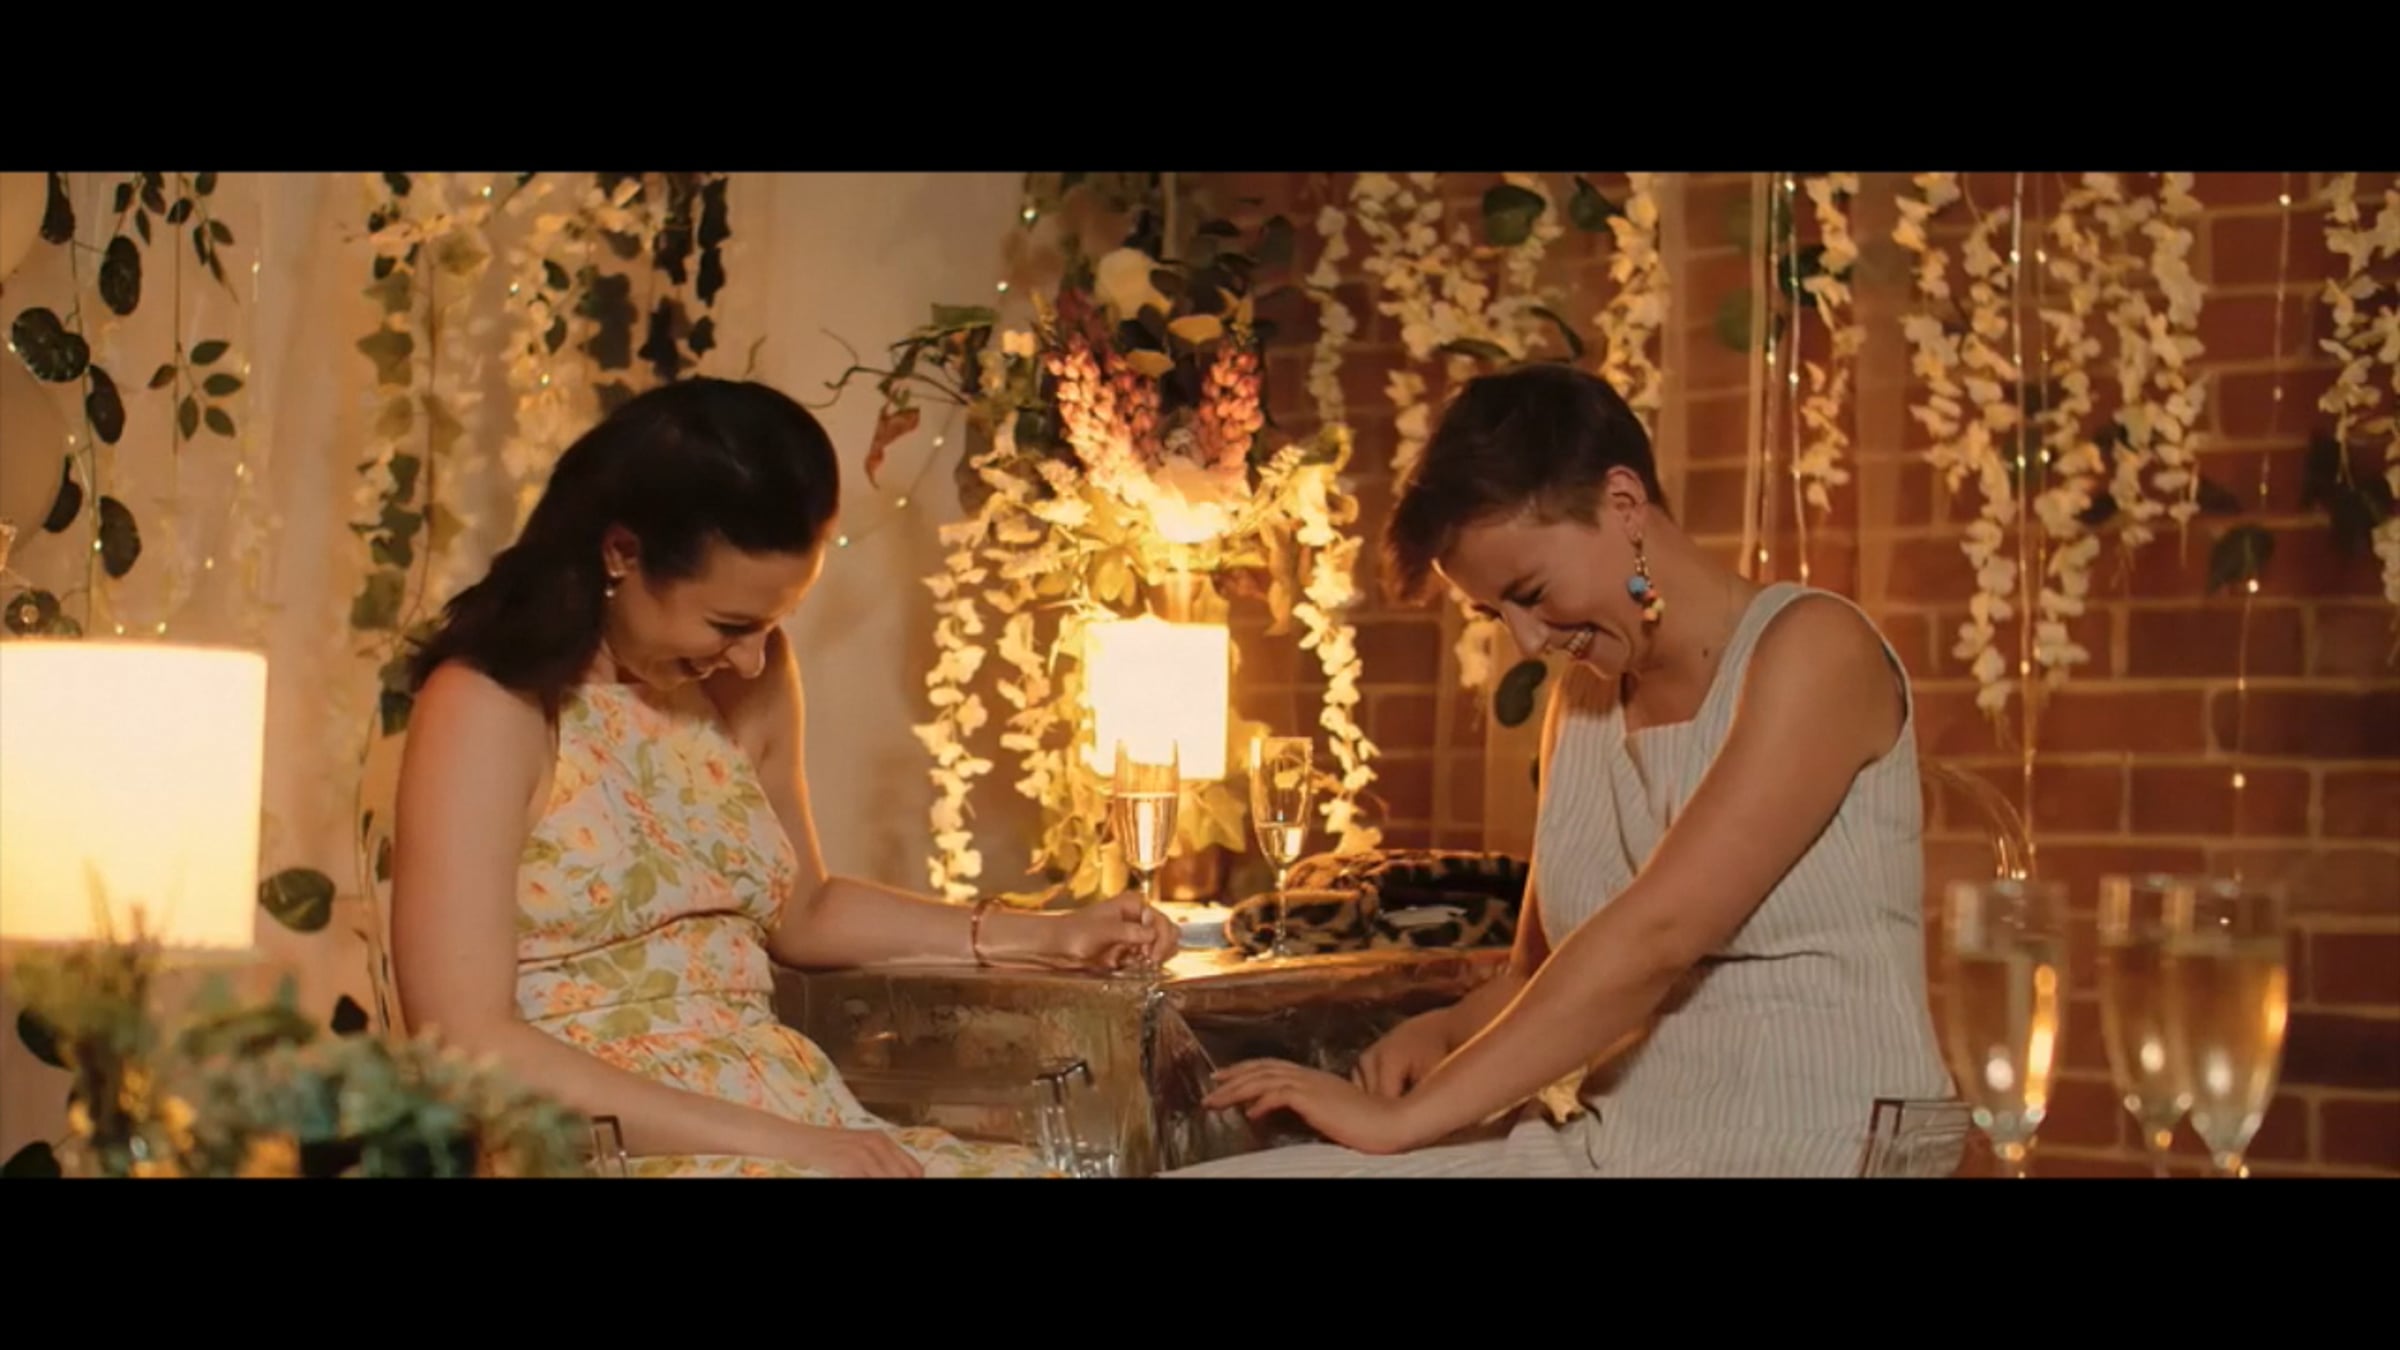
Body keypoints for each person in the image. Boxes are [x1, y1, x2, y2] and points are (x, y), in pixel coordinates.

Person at [390, 377, 1178, 1179]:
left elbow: (804, 910)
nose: (751, 659)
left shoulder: (745, 677)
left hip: (794, 1113)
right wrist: (786, 1145)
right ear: (621, 554)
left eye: (772, 624)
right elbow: (464, 1042)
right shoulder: (490, 706)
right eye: (728, 624)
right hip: (603, 1142)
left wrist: (1047, 936)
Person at [1178, 363, 1952, 1177]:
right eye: (1495, 613)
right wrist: (1441, 1033)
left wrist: (1401, 1123)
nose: (1527, 639)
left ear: (1624, 503)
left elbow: (1659, 935)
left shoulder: (1814, 648)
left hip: (1820, 1144)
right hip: (1613, 1147)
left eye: (1532, 591)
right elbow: (1537, 975)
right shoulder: (1583, 704)